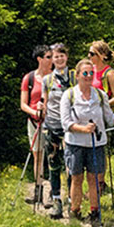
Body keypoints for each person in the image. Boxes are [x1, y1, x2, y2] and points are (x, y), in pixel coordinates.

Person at [61, 58, 114, 227]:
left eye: (91, 73)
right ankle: (75, 212)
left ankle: (95, 213)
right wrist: (83, 129)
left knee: (94, 179)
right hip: (75, 144)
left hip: (97, 144)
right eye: (85, 73)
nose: (89, 76)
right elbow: (65, 123)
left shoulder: (100, 95)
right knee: (76, 179)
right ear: (77, 75)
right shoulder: (69, 95)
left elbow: (110, 118)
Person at [39, 43, 73, 218]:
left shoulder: (75, 76)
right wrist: (40, 109)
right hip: (52, 125)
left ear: (66, 57)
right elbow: (45, 101)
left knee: (71, 165)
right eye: (55, 56)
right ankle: (56, 201)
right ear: (51, 59)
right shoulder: (47, 79)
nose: (59, 59)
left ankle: (72, 201)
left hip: (70, 127)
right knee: (53, 165)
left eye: (62, 55)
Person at [19, 45, 54, 206]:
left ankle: (53, 194)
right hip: (34, 121)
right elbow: (23, 104)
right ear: (39, 59)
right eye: (48, 57)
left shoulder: (55, 78)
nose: (52, 60)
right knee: (38, 156)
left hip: (52, 121)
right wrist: (34, 113)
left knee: (53, 156)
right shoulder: (29, 78)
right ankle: (38, 192)